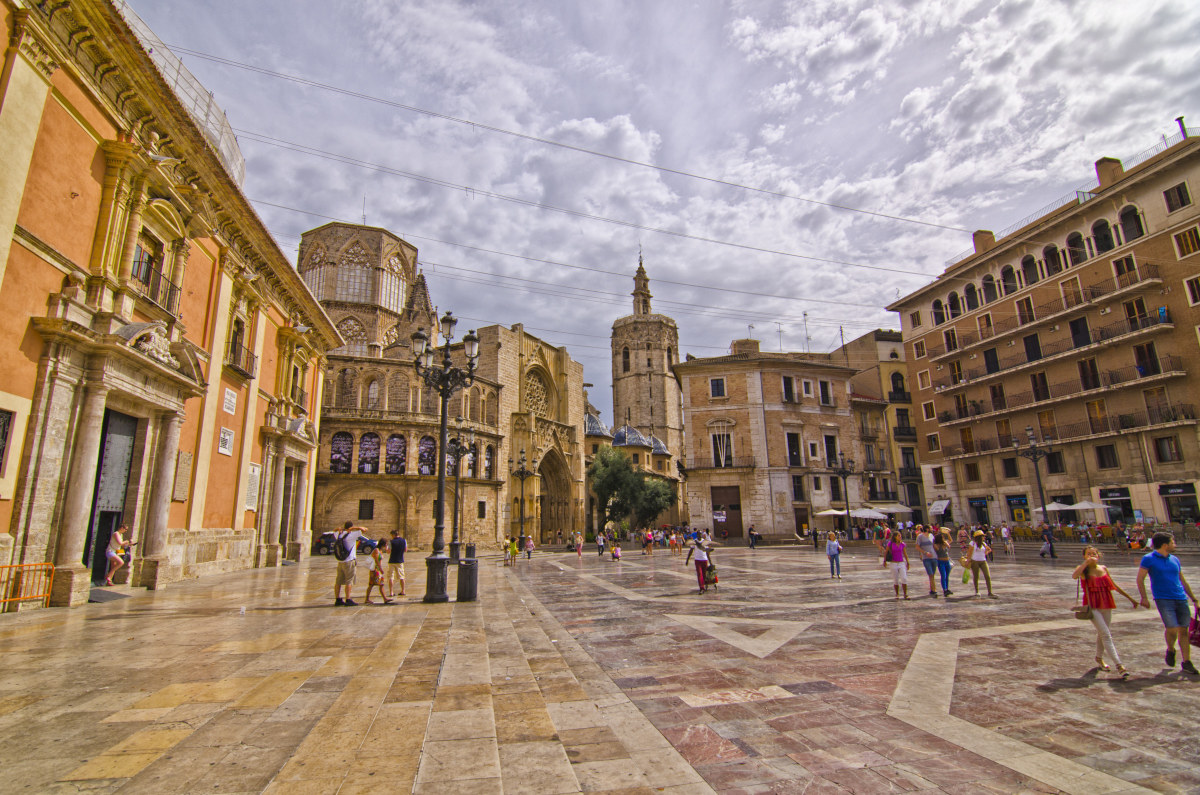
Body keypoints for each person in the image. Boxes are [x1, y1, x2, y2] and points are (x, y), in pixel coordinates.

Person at [1137, 532, 1199, 674]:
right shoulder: (1148, 559)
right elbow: (1140, 578)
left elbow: (1182, 580)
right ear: (1165, 545)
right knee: (1171, 627)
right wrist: (1144, 597)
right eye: (1173, 542)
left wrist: (1194, 599)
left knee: (1183, 630)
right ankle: (1170, 649)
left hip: (1180, 598)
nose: (1174, 544)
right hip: (1163, 598)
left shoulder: (1175, 559)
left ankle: (1186, 661)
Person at [1073, 546, 1136, 677]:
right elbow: (1074, 576)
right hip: (1093, 605)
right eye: (1088, 554)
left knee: (1103, 632)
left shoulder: (1104, 568)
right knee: (1106, 634)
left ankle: (1099, 658)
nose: (1091, 556)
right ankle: (1119, 665)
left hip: (1106, 603)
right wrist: (1085, 563)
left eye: (1094, 553)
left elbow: (1114, 585)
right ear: (1084, 556)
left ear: (1098, 555)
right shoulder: (1083, 570)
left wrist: (1130, 598)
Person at [334, 521, 365, 606]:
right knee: (349, 581)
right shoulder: (352, 535)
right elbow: (364, 529)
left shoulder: (339, 534)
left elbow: (334, 531)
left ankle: (338, 599)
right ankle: (348, 599)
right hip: (349, 561)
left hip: (340, 561)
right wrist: (355, 528)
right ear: (351, 527)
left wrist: (339, 529)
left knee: (338, 581)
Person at [882, 530, 910, 600]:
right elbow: (886, 552)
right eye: (898, 536)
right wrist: (884, 560)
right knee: (896, 579)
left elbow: (905, 553)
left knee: (904, 578)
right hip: (893, 563)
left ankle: (905, 594)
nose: (900, 537)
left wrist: (907, 562)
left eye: (900, 535)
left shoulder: (902, 544)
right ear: (895, 537)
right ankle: (897, 594)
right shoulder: (890, 544)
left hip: (901, 563)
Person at [363, 540, 392, 605]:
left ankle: (384, 598)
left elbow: (387, 553)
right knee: (375, 584)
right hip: (375, 570)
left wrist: (387, 548)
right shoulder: (376, 550)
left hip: (377, 570)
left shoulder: (380, 551)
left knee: (377, 584)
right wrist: (380, 569)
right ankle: (368, 599)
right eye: (386, 544)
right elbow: (376, 560)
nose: (386, 545)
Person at [969, 530, 996, 597]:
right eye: (983, 536)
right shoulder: (972, 543)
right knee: (976, 576)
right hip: (975, 561)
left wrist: (985, 553)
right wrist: (968, 560)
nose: (984, 537)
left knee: (987, 576)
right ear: (979, 537)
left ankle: (990, 592)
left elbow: (989, 549)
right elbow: (969, 552)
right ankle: (977, 591)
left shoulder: (983, 543)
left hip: (983, 561)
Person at [915, 525, 938, 598]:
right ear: (927, 529)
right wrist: (925, 553)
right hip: (926, 558)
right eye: (931, 528)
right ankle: (934, 590)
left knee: (933, 574)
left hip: (934, 557)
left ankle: (932, 589)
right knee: (930, 574)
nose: (932, 529)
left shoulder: (931, 536)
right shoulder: (920, 537)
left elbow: (934, 545)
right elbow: (917, 547)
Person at [387, 529, 407, 598]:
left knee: (391, 577)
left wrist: (387, 548)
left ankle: (391, 592)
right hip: (400, 560)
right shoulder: (404, 540)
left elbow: (388, 551)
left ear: (393, 535)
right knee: (402, 576)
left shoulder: (391, 542)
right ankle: (403, 591)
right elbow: (405, 550)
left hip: (392, 560)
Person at [933, 531, 953, 596]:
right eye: (942, 537)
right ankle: (944, 589)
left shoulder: (945, 544)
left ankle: (947, 588)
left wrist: (948, 534)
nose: (944, 538)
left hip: (947, 561)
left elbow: (950, 540)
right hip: (941, 561)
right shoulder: (936, 545)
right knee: (943, 575)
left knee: (947, 576)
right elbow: (934, 546)